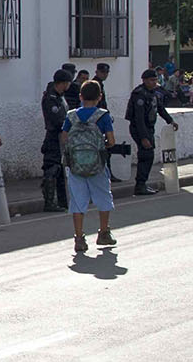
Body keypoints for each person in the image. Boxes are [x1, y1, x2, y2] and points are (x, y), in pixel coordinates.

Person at [61, 79, 120, 254]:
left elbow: (64, 138)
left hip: (76, 166)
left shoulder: (71, 116)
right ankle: (103, 232)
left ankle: (79, 238)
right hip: (98, 165)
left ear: (80, 96)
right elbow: (111, 140)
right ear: (99, 96)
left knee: (78, 200)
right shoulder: (103, 115)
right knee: (103, 197)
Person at [124, 67, 179, 197]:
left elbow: (160, 108)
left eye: (155, 80)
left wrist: (170, 121)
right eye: (151, 80)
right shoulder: (139, 94)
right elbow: (138, 118)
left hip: (148, 128)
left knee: (148, 155)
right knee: (146, 155)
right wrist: (144, 137)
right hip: (140, 128)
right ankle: (140, 185)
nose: (154, 82)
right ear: (144, 80)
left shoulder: (153, 92)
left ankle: (142, 184)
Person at [40, 68, 73, 213]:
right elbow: (58, 119)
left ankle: (62, 201)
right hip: (54, 136)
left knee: (59, 170)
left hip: (62, 137)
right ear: (62, 83)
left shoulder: (60, 97)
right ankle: (49, 202)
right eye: (67, 83)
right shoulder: (51, 98)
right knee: (52, 169)